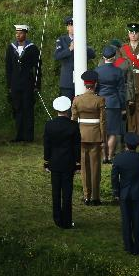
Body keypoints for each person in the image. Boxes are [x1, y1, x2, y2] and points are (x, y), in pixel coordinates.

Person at [43, 96, 81, 229]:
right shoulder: (73, 126)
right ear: (68, 109)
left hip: (54, 162)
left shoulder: (49, 125)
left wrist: (46, 162)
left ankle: (57, 218)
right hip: (68, 162)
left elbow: (47, 146)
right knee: (67, 193)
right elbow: (77, 146)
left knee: (55, 192)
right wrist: (78, 163)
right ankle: (67, 220)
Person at [71, 70, 106, 206]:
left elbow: (73, 121)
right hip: (96, 137)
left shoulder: (77, 99)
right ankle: (96, 197)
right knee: (95, 167)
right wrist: (103, 139)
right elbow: (103, 122)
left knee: (84, 168)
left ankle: (86, 196)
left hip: (81, 136)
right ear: (95, 84)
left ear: (85, 85)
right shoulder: (100, 100)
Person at [5, 24, 41, 142]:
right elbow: (8, 67)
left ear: (25, 34)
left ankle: (29, 136)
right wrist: (9, 85)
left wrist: (37, 84)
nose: (18, 35)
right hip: (15, 84)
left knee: (28, 109)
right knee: (17, 109)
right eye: (16, 33)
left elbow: (38, 68)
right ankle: (19, 135)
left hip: (28, 83)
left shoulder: (32, 48)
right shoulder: (11, 48)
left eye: (20, 33)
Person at [95, 45, 126, 164]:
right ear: (114, 57)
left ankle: (103, 156)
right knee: (112, 132)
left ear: (103, 57)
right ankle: (109, 156)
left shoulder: (97, 71)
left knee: (102, 131)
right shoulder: (118, 71)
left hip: (100, 103)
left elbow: (95, 88)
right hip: (114, 104)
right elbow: (121, 91)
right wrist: (122, 106)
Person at [54, 16, 96, 103]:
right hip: (67, 81)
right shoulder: (62, 40)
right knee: (67, 107)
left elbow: (93, 55)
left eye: (75, 26)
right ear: (67, 27)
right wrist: (69, 49)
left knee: (81, 107)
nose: (73, 28)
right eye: (71, 26)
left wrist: (83, 46)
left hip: (81, 81)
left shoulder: (83, 39)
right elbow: (57, 56)